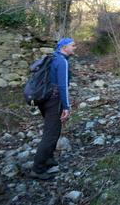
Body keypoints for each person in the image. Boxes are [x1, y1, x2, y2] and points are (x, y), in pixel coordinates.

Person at [30, 38, 76, 180]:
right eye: (73, 45)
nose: (75, 47)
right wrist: (66, 107)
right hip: (54, 101)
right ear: (64, 47)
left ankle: (48, 159)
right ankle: (37, 169)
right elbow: (63, 87)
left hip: (43, 99)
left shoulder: (51, 58)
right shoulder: (62, 61)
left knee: (52, 130)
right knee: (51, 134)